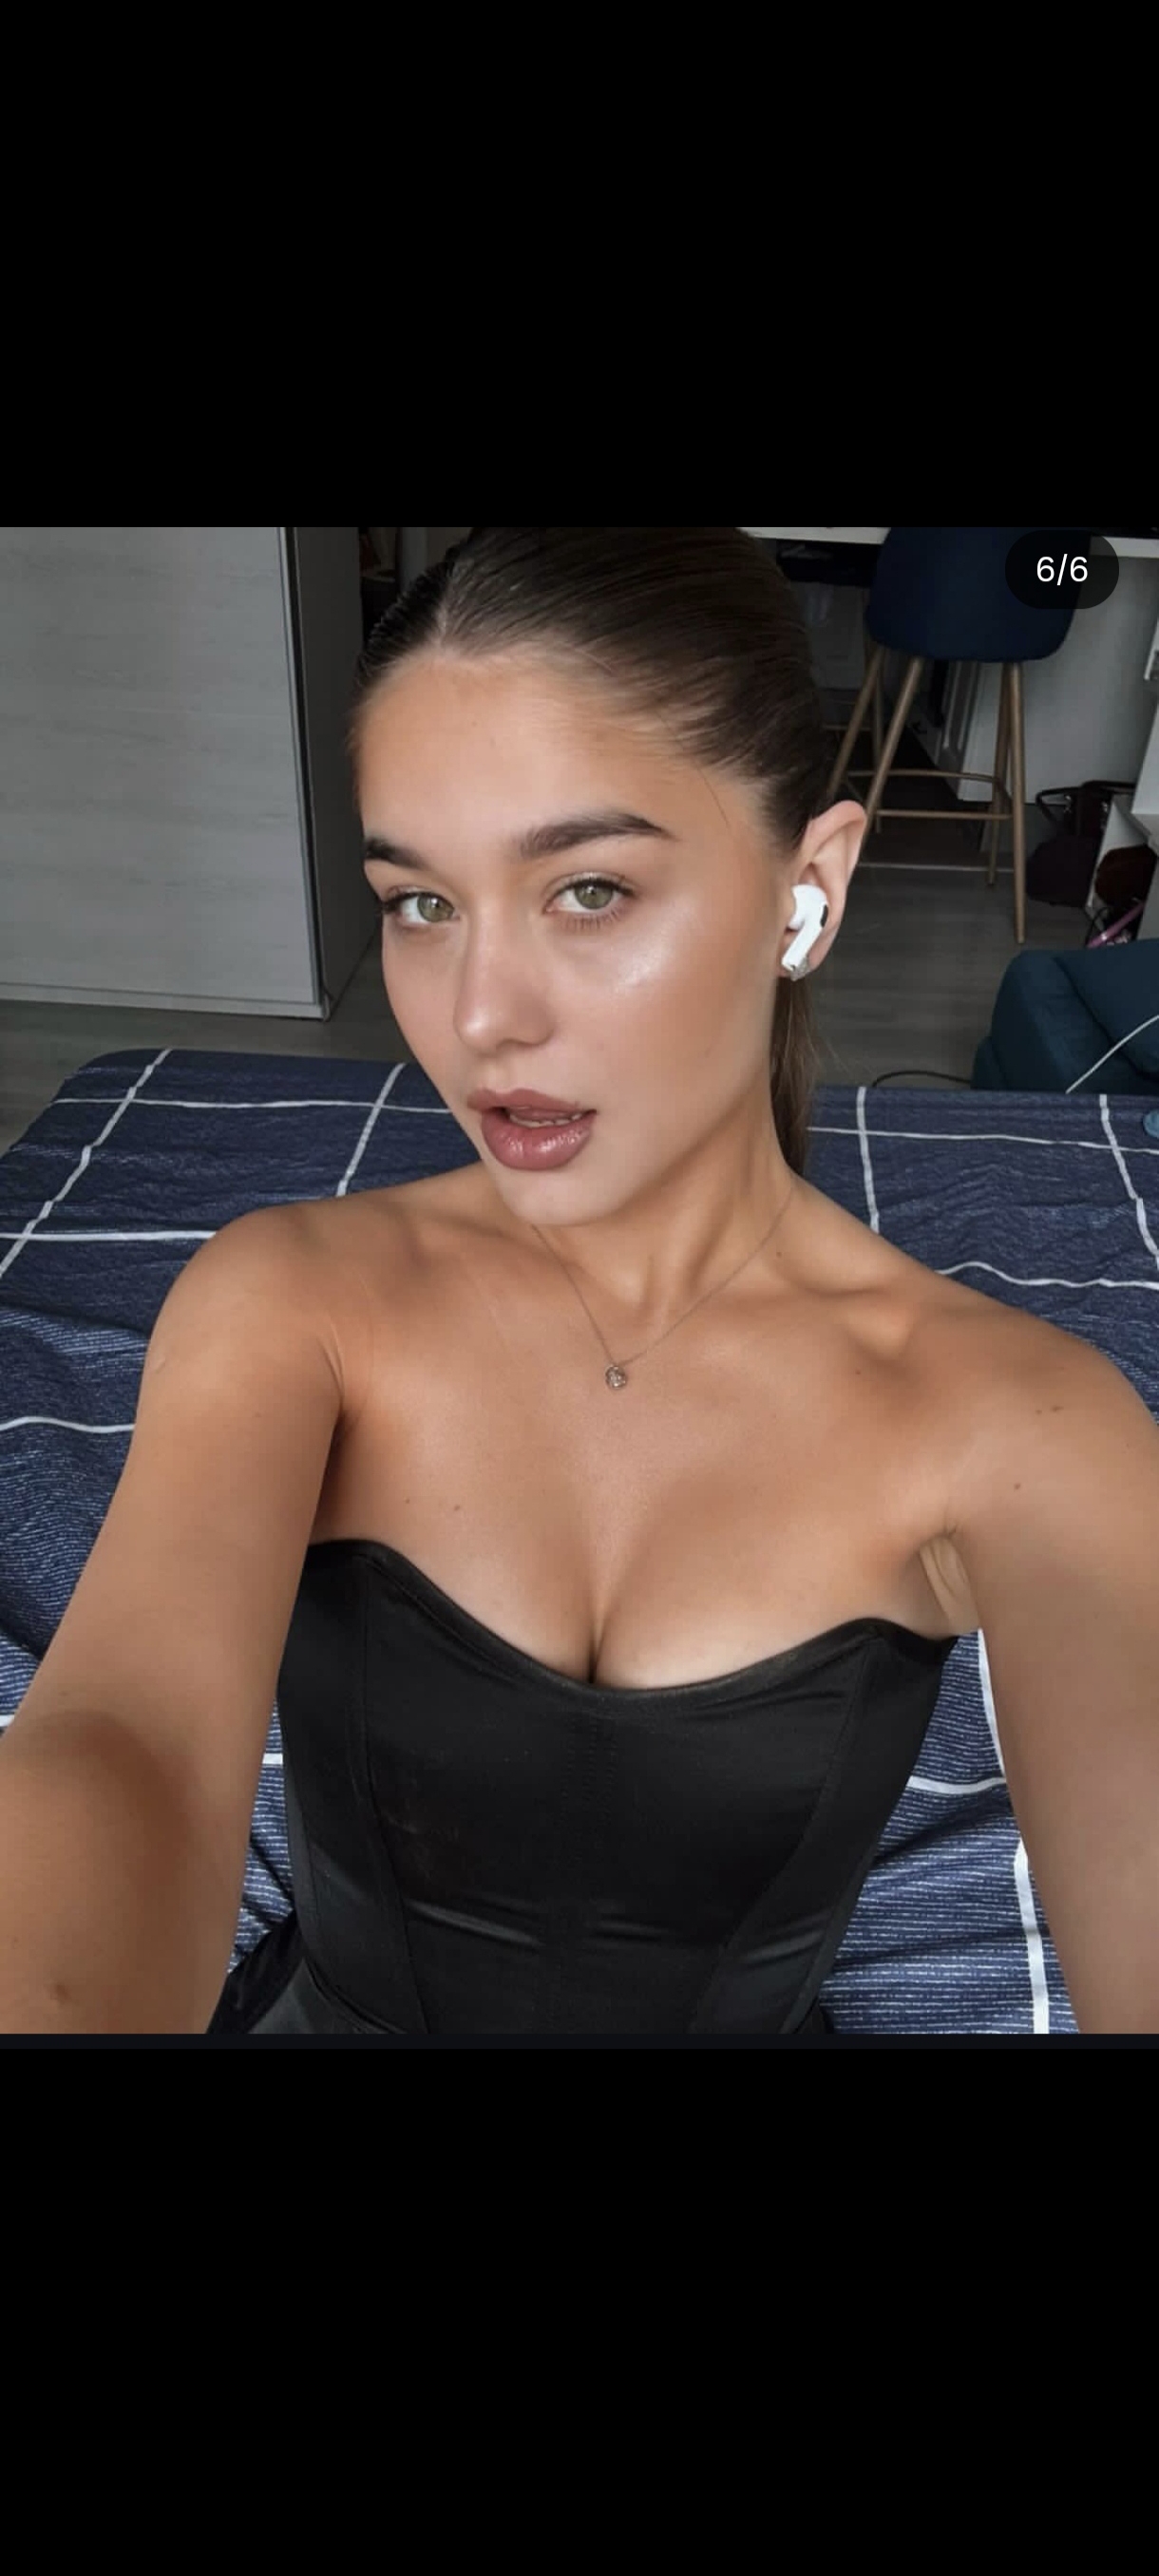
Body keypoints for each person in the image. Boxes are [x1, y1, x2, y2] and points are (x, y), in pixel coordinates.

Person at [0, 529, 1003, 2036]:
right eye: (421, 903)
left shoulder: (1016, 1417)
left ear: (808, 888)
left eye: (589, 889)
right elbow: (123, 1739)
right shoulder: (287, 1298)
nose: (479, 1019)